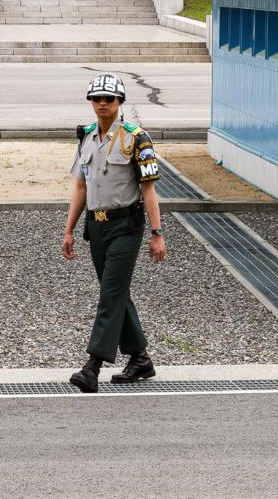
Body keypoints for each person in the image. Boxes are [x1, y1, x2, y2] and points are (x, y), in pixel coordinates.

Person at [62, 72, 166, 393]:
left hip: (126, 226)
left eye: (109, 99)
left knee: (109, 294)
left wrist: (157, 233)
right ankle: (140, 360)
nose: (103, 104)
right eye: (97, 99)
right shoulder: (86, 138)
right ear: (91, 102)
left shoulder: (136, 138)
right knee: (116, 292)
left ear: (120, 102)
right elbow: (80, 187)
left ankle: (92, 367)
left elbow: (148, 189)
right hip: (96, 226)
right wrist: (69, 230)